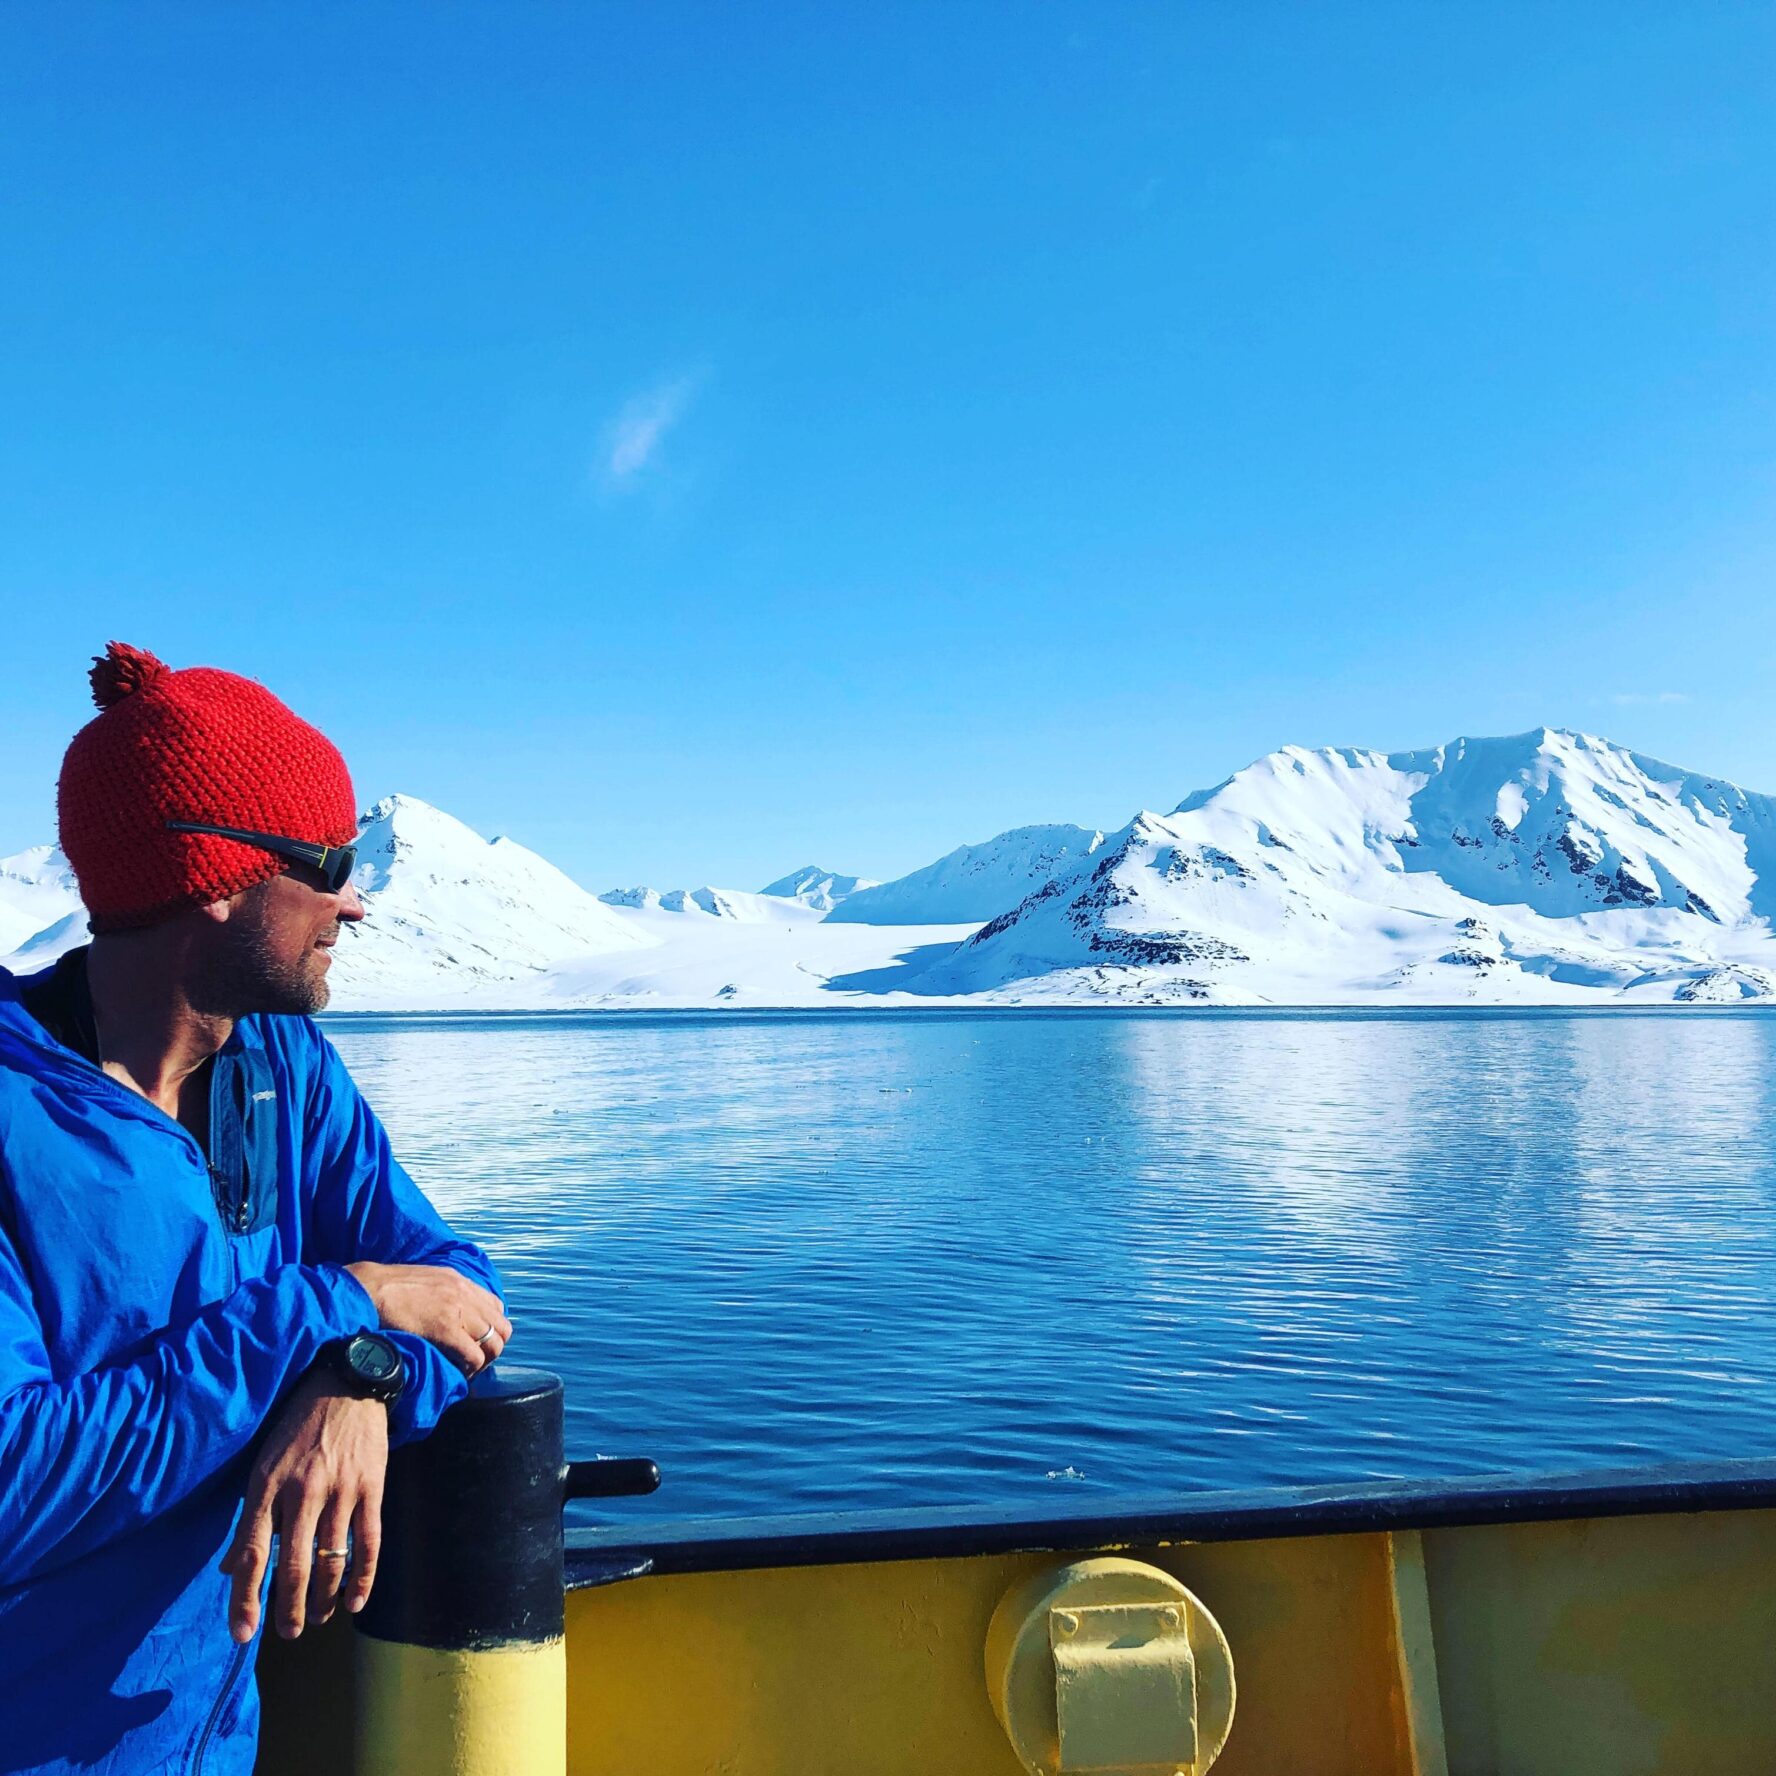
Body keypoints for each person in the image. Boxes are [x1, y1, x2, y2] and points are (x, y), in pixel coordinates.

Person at [0, 642, 512, 1774]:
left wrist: (358, 1377)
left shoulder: (284, 1070)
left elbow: (455, 1289)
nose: (355, 902)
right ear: (218, 877)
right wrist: (328, 1307)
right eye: (329, 862)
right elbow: (11, 1482)